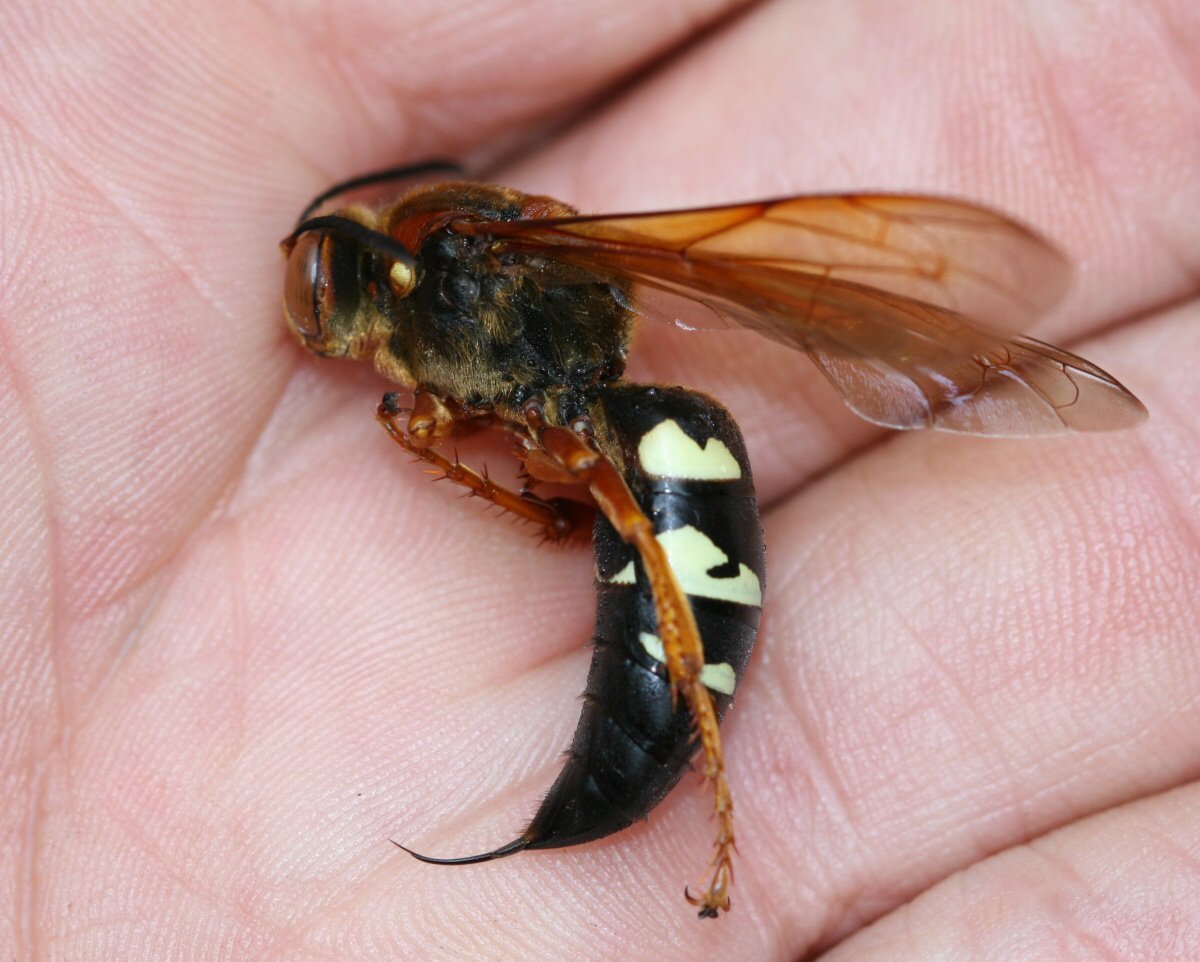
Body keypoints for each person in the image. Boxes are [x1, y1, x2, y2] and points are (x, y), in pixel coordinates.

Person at [2, 1, 1196, 958]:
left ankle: (709, 766)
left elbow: (543, 435)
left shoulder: (476, 267)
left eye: (321, 285)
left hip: (647, 477)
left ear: (380, 267)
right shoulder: (433, 365)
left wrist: (541, 493)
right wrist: (519, 492)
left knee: (624, 488)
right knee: (592, 477)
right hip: (606, 451)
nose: (316, 317)